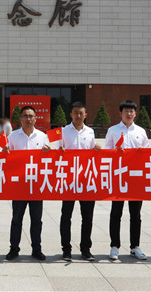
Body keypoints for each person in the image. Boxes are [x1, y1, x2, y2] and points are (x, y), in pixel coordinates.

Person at [105, 99, 150, 261]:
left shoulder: (141, 131)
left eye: (132, 111)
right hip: (118, 177)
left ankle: (135, 246)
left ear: (135, 113)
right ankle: (114, 246)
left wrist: (142, 152)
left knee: (135, 214)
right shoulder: (113, 130)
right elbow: (106, 152)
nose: (129, 114)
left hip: (136, 178)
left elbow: (147, 152)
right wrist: (114, 151)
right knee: (116, 213)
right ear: (120, 113)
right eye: (126, 111)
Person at [4, 106, 50, 261]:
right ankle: (14, 248)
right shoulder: (13, 137)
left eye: (31, 116)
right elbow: (6, 157)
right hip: (19, 186)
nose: (28, 119)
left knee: (36, 220)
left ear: (36, 118)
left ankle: (36, 249)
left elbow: (50, 159)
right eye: (25, 116)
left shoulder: (42, 136)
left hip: (36, 185)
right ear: (20, 119)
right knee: (16, 219)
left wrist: (47, 152)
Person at [58, 102, 100, 262]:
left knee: (87, 217)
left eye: (81, 113)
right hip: (68, 180)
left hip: (86, 179)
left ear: (86, 115)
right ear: (70, 114)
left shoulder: (90, 132)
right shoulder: (63, 131)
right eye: (75, 113)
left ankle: (85, 249)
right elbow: (57, 153)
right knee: (66, 216)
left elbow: (93, 154)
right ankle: (66, 249)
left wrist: (97, 149)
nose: (78, 116)